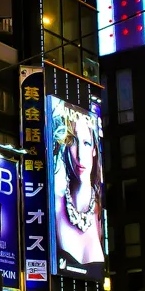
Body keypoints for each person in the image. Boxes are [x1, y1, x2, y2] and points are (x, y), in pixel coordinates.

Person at [49, 104, 105, 277]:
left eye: (87, 143)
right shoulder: (54, 204)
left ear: (95, 149)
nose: (80, 154)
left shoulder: (100, 213)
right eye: (73, 142)